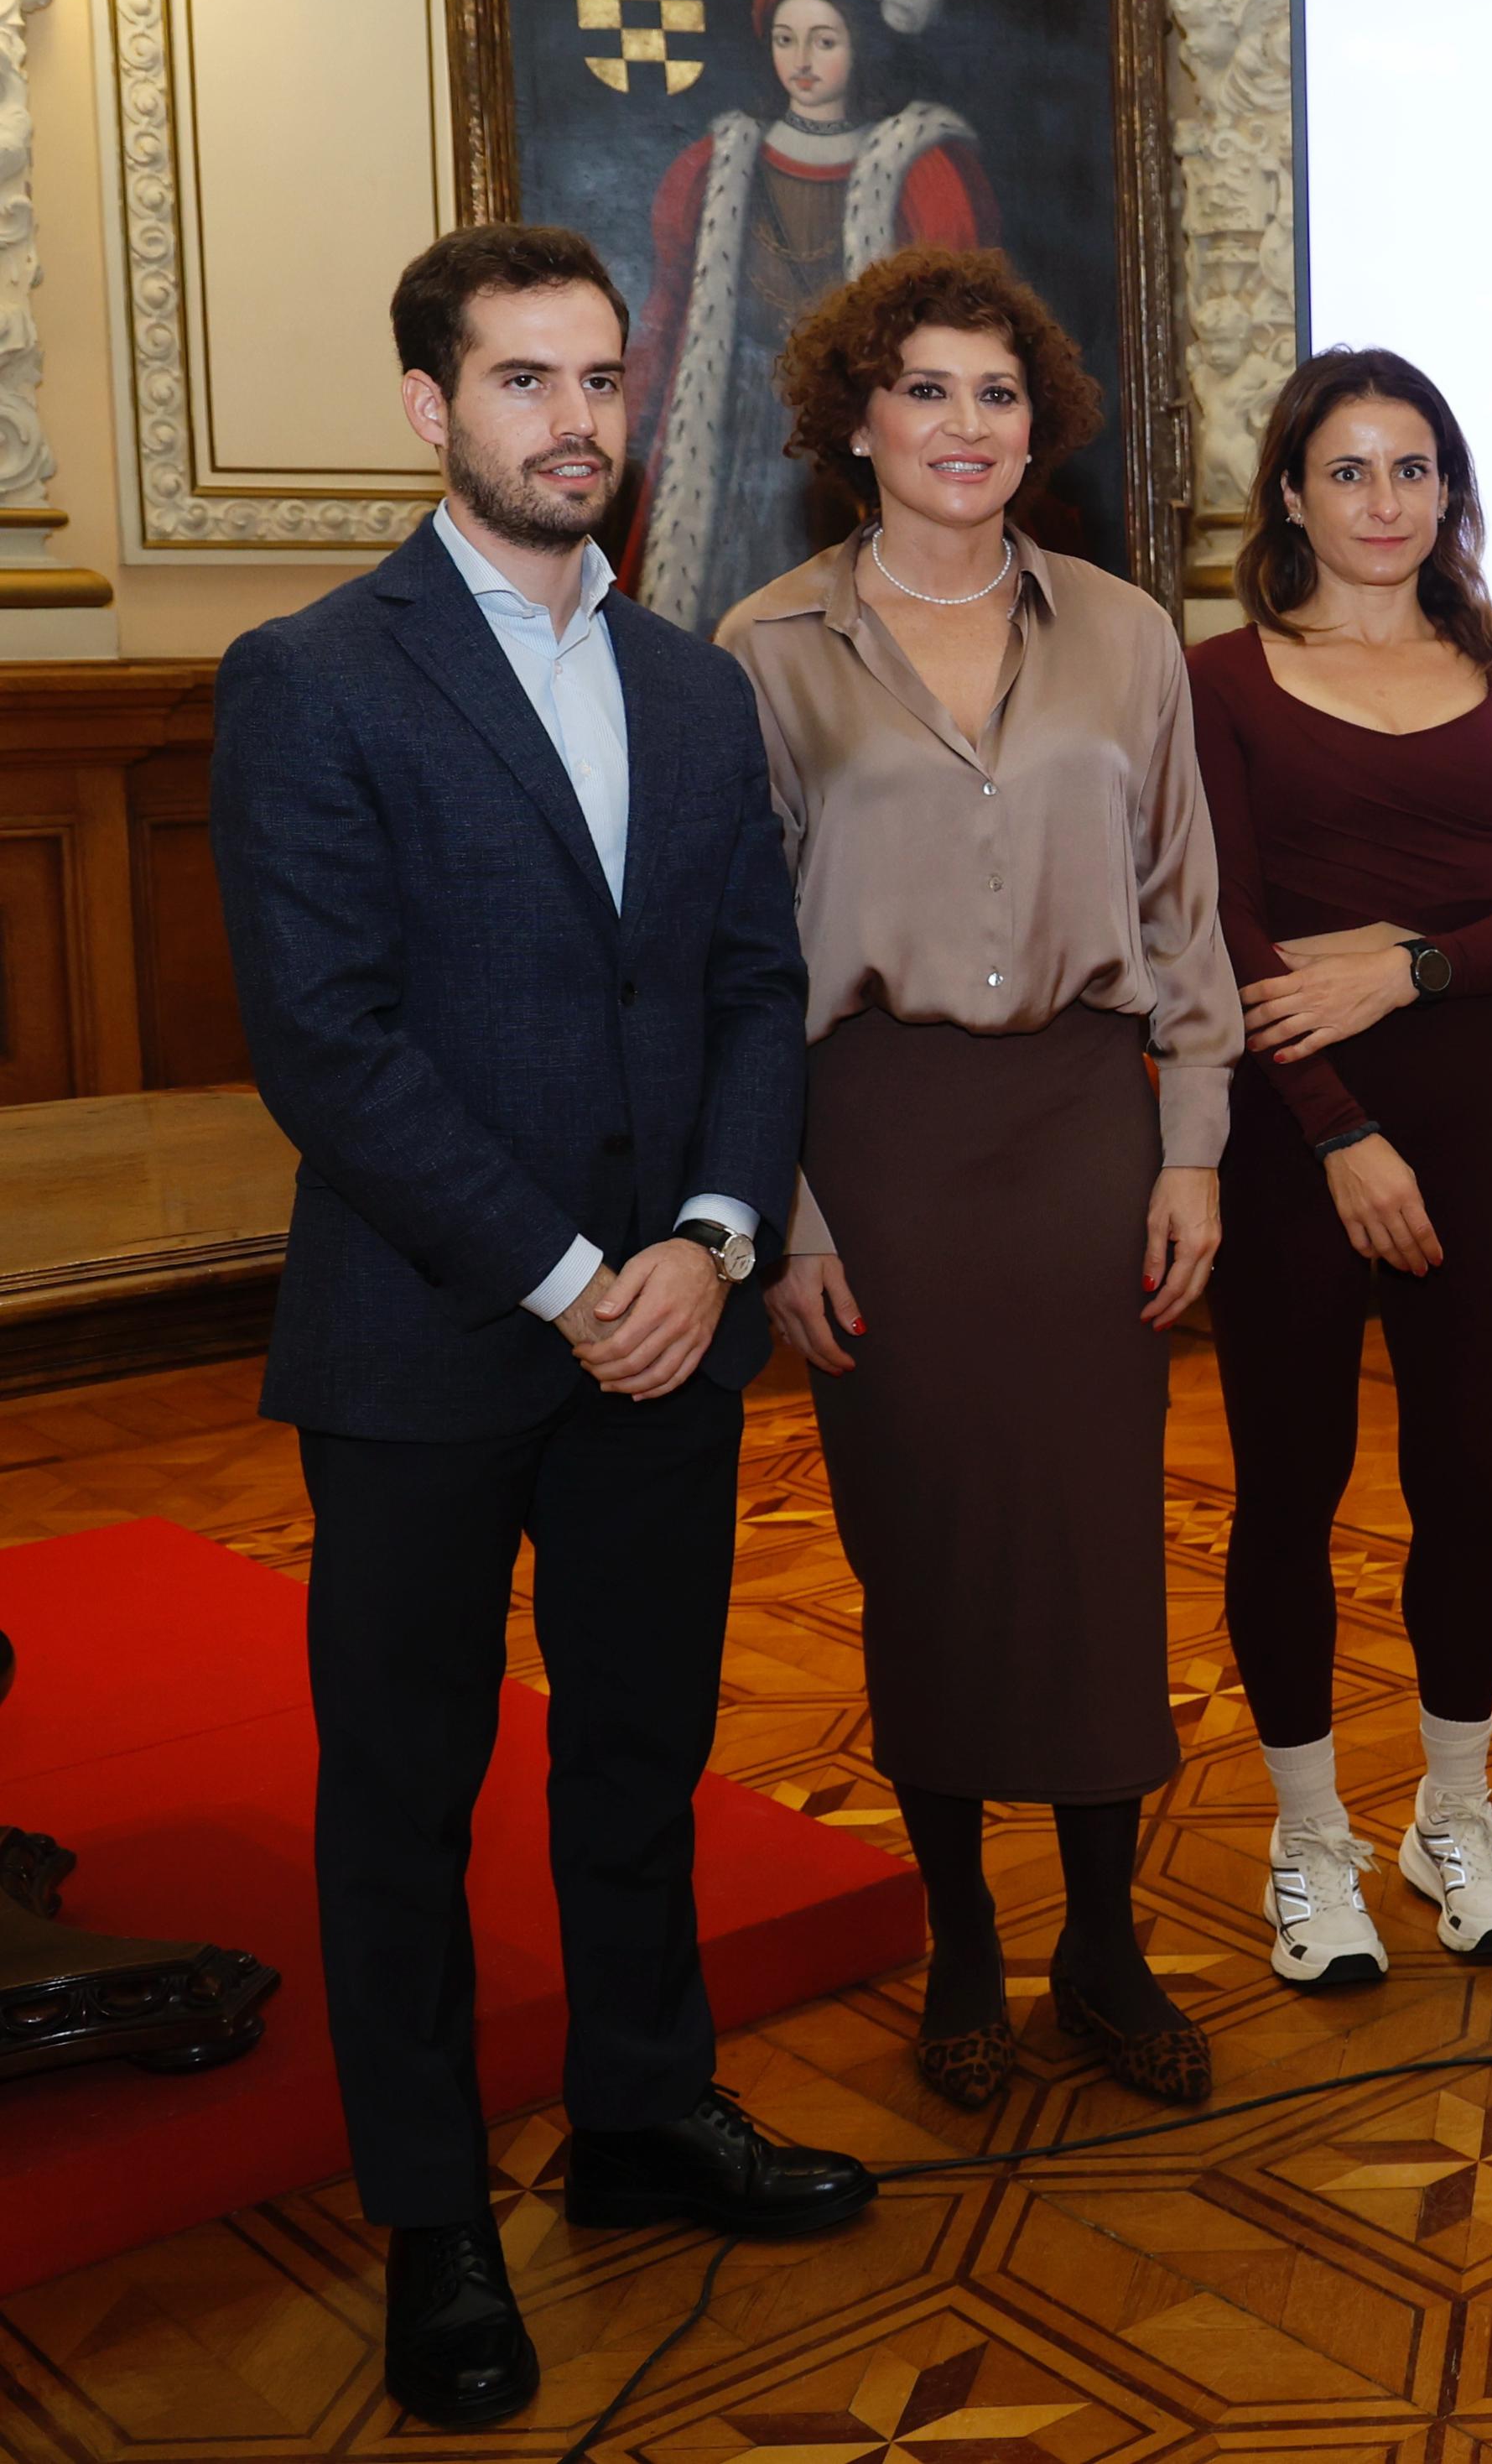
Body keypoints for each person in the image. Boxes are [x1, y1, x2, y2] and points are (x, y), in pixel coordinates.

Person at [212, 226, 872, 2433]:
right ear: (431, 407)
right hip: (427, 1337)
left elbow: (754, 987)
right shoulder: (315, 676)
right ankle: (433, 2215)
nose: (575, 420)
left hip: (672, 1329)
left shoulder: (691, 682)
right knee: (406, 1795)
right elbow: (328, 1045)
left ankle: (644, 2110)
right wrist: (576, 1278)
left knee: (638, 1750)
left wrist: (710, 1235)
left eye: (601, 378)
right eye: (523, 381)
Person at [716, 246, 1241, 2112]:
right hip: (877, 1144)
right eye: (925, 388)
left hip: (1091, 1130)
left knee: (1100, 1551)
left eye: (998, 392)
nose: (965, 423)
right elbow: (736, 963)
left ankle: (1101, 1944)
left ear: (1040, 427)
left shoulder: (1127, 632)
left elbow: (1183, 909)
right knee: (926, 1548)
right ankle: (959, 1943)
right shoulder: (766, 647)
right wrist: (780, 1209)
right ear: (855, 419)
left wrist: (1194, 1148)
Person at [1189, 348, 1492, 1982]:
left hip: (1473, 1119)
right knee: (1288, 1493)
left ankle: (1453, 1814)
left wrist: (1410, 968)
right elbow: (1218, 927)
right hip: (1287, 1128)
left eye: (1412, 468)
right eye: (1347, 469)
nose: (1383, 500)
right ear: (1291, 494)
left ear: (1450, 490)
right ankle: (1308, 1840)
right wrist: (1342, 1129)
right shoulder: (1220, 681)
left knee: (1466, 1485)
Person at [626, 0, 1000, 633]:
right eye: (785, 39)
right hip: (739, 419)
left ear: (859, 48)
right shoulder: (715, 165)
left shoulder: (919, 165)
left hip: (857, 422)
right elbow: (668, 310)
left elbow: (965, 328)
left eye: (824, 40)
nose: (801, 60)